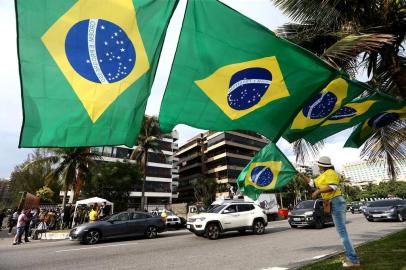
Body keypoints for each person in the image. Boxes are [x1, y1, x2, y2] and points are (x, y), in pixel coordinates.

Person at [299, 156, 360, 268]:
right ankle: (352, 258)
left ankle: (353, 260)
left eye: (319, 164)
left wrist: (317, 191)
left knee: (342, 233)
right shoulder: (323, 176)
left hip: (336, 201)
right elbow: (312, 183)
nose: (318, 165)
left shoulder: (331, 172)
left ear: (323, 165)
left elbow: (332, 186)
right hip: (332, 202)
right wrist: (300, 175)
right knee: (342, 232)